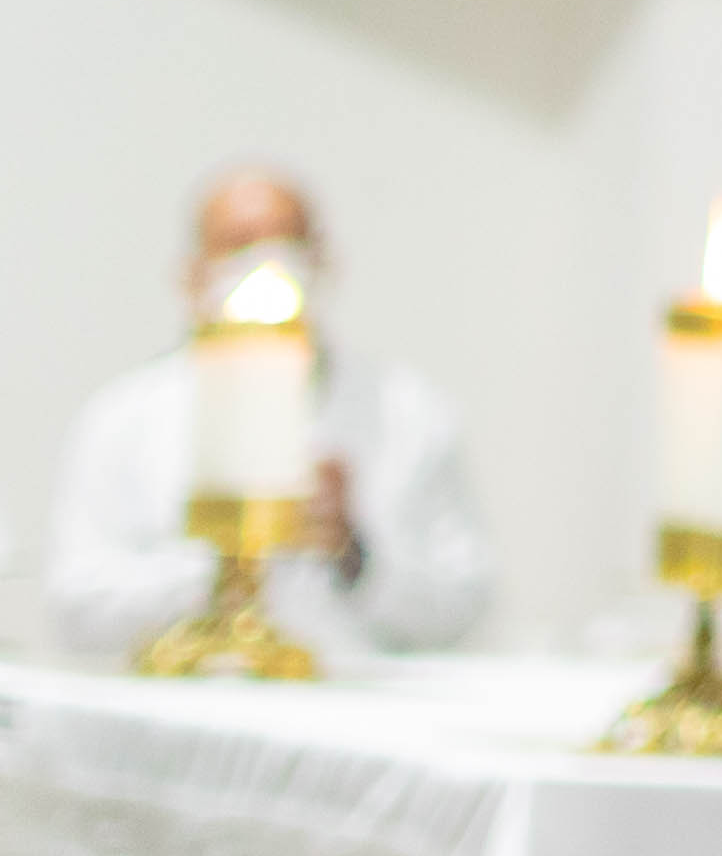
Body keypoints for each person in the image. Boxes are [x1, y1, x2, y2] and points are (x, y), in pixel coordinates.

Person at [43, 171, 495, 664]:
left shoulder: (409, 414)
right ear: (192, 276)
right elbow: (76, 610)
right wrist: (225, 558)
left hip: (349, 706)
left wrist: (352, 555)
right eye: (240, 245)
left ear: (325, 263)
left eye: (288, 242)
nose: (268, 265)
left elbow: (463, 607)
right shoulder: (126, 418)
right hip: (185, 707)